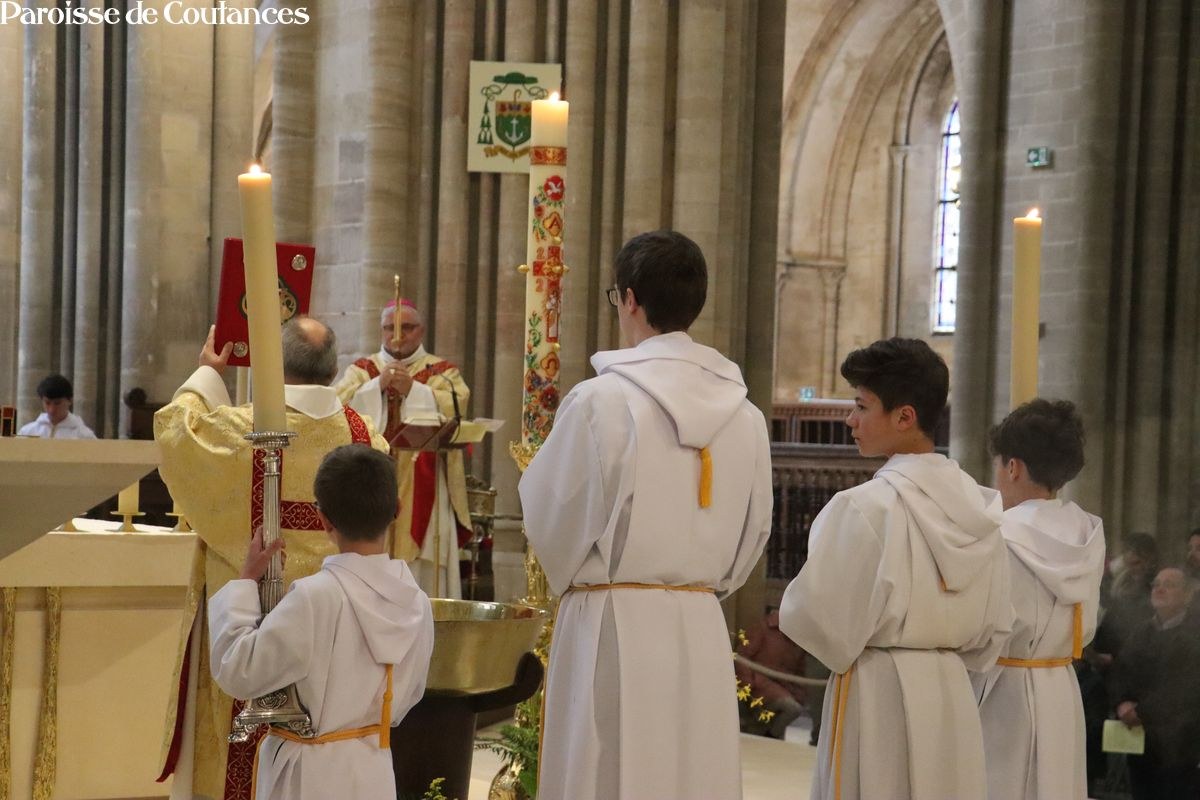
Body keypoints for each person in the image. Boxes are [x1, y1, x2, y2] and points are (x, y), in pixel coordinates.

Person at [518, 230, 773, 800]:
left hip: (611, 622)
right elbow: (756, 530)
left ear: (629, 299)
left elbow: (553, 516)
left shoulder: (600, 401)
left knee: (608, 774)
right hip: (700, 623)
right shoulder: (747, 416)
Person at [154, 318, 390, 800]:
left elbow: (177, 432)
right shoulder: (367, 439)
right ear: (334, 369)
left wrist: (208, 374)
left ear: (272, 364)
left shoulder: (241, 431)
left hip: (251, 628)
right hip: (339, 651)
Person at [778, 337, 1012, 800]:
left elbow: (816, 621)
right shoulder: (981, 510)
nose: (850, 420)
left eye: (861, 406)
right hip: (951, 693)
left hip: (878, 693)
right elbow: (995, 629)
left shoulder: (866, 508)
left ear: (904, 417)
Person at [209, 444, 434, 800]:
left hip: (309, 775)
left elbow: (239, 670)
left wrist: (245, 583)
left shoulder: (316, 597)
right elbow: (408, 696)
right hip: (373, 767)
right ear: (397, 509)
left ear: (324, 520)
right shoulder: (417, 602)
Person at [974, 399, 1106, 800]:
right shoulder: (1087, 533)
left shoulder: (996, 534)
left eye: (999, 467)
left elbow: (976, 626)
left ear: (1013, 467)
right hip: (1060, 686)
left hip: (1002, 690)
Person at [333, 299, 472, 599]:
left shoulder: (442, 372)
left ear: (421, 331)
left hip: (424, 482)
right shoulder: (362, 371)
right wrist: (376, 387)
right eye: (389, 328)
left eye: (407, 327)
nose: (397, 336)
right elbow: (336, 407)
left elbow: (458, 404)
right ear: (380, 330)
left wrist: (414, 390)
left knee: (424, 560)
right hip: (369, 480)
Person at [1112, 566, 1200, 800]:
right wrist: (1121, 702)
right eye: (1156, 584)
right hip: (1140, 739)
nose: (1159, 589)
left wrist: (1142, 711)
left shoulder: (1195, 634)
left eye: (1169, 585)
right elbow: (1121, 671)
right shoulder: (1141, 632)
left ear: (1187, 595)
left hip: (1180, 743)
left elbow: (1186, 687)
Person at [734, 608, 808, 740]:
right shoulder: (762, 628)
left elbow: (799, 671)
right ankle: (769, 736)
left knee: (791, 709)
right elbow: (742, 655)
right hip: (760, 684)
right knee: (791, 708)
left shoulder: (796, 639)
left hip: (783, 687)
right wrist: (748, 684)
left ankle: (766, 734)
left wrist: (799, 695)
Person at [18, 373, 97, 438]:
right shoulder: (27, 432)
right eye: (47, 403)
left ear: (70, 401)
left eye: (57, 403)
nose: (51, 409)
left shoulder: (84, 436)